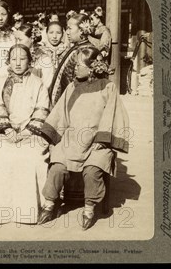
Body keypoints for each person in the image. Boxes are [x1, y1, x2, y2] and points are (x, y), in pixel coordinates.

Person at [37, 47, 129, 230]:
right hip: (72, 139)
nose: (75, 68)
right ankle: (49, 205)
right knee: (57, 168)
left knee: (92, 171)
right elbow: (60, 114)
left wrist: (102, 142)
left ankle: (89, 209)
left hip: (98, 142)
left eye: (78, 65)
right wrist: (53, 138)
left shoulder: (108, 87)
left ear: (92, 67)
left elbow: (112, 116)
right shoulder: (72, 87)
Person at [0, 44, 50, 224]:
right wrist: (8, 130)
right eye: (14, 59)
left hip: (30, 132)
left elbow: (42, 109)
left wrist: (26, 131)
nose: (18, 63)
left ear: (29, 60)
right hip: (4, 132)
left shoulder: (38, 82)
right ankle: (1, 211)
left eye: (23, 59)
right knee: (1, 156)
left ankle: (31, 211)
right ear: (8, 61)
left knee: (33, 157)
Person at [49, 13, 96, 107]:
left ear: (81, 30)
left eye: (70, 28)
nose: (67, 32)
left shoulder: (88, 52)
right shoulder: (77, 47)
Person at [33, 21, 68, 91]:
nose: (54, 36)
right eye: (51, 33)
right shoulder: (39, 51)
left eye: (58, 33)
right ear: (46, 33)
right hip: (43, 88)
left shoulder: (67, 51)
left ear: (62, 34)